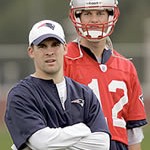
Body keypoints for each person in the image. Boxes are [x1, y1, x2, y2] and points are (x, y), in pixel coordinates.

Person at [4, 20, 110, 150]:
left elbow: (102, 144)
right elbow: (42, 142)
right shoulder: (21, 95)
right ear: (31, 51)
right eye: (42, 46)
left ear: (65, 48)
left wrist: (51, 143)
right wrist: (82, 129)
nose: (49, 52)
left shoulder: (85, 93)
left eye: (55, 45)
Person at [64, 0, 148, 150]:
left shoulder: (125, 66)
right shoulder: (64, 60)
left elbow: (133, 132)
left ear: (110, 15)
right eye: (88, 13)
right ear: (77, 17)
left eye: (100, 13)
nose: (95, 19)